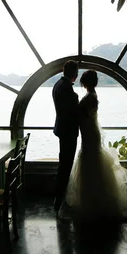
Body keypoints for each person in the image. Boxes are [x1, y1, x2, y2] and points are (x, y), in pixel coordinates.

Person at [64, 69, 127, 222]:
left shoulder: (89, 97)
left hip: (89, 134)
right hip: (90, 132)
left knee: (90, 163)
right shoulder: (92, 95)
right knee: (92, 163)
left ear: (85, 82)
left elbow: (83, 115)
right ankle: (94, 200)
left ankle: (92, 202)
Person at [52, 60, 80, 212]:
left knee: (64, 163)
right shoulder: (68, 91)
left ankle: (59, 196)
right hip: (68, 131)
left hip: (62, 129)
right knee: (66, 165)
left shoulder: (57, 85)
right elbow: (72, 114)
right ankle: (60, 197)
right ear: (74, 74)